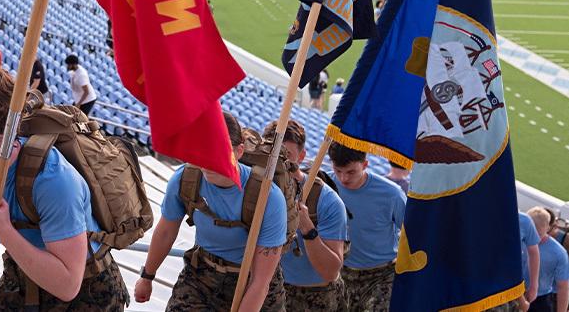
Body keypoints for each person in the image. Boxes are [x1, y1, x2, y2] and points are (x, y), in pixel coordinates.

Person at [0, 64, 128, 310]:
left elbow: (67, 285)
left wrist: (5, 231)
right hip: (21, 275)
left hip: (87, 291)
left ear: (5, 133)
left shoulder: (53, 181)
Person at [134, 112, 288, 310]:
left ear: (239, 151)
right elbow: (166, 232)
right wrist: (147, 276)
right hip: (202, 275)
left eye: (217, 154)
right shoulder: (186, 179)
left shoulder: (269, 198)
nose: (207, 162)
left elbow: (260, 282)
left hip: (250, 280)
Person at [272, 120, 347, 311]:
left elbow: (330, 271)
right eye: (273, 152)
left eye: (286, 155)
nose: (278, 161)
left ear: (301, 156)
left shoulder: (326, 201)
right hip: (275, 290)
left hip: (318, 297)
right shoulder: (259, 189)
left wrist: (307, 228)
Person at [328, 142, 405, 311]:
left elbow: (413, 232)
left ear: (365, 165)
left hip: (382, 274)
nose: (343, 178)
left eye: (351, 172)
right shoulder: (326, 187)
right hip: (342, 273)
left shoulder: (391, 194)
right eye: (338, 171)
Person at [528, 207, 569, 312]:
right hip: (514, 297)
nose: (533, 238)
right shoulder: (518, 241)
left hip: (540, 301)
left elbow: (563, 287)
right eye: (531, 231)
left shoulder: (558, 253)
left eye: (538, 233)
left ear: (548, 228)